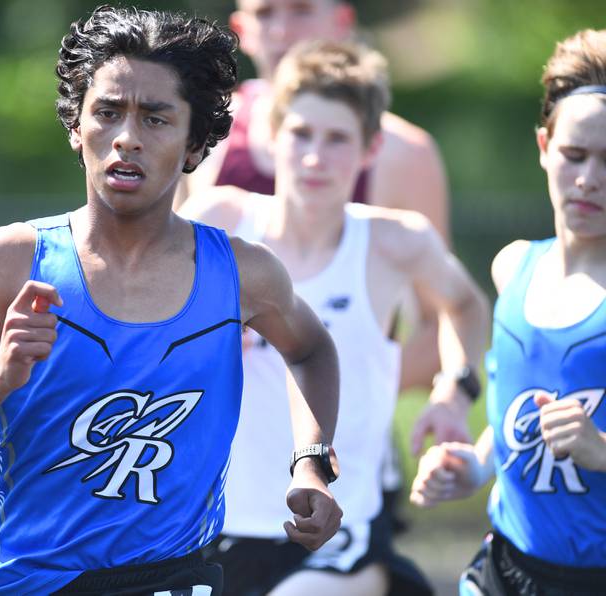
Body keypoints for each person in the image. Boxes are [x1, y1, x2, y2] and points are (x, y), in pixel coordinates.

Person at [0, 7, 344, 595]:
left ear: (195, 143)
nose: (127, 137)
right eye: (107, 113)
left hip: (177, 576)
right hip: (32, 582)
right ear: (76, 128)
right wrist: (1, 378)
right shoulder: (14, 260)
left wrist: (312, 461)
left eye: (156, 119)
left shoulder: (240, 273)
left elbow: (311, 350)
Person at [181, 40, 489, 596]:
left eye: (337, 139)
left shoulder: (396, 241)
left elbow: (466, 305)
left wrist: (455, 391)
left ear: (370, 148)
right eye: (301, 134)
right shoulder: (219, 221)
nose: (316, 157)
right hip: (212, 525)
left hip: (332, 538)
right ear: (272, 138)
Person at [410, 28, 606, 596]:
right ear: (544, 147)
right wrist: (475, 465)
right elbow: (521, 414)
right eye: (574, 155)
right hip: (504, 568)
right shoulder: (512, 267)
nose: (589, 179)